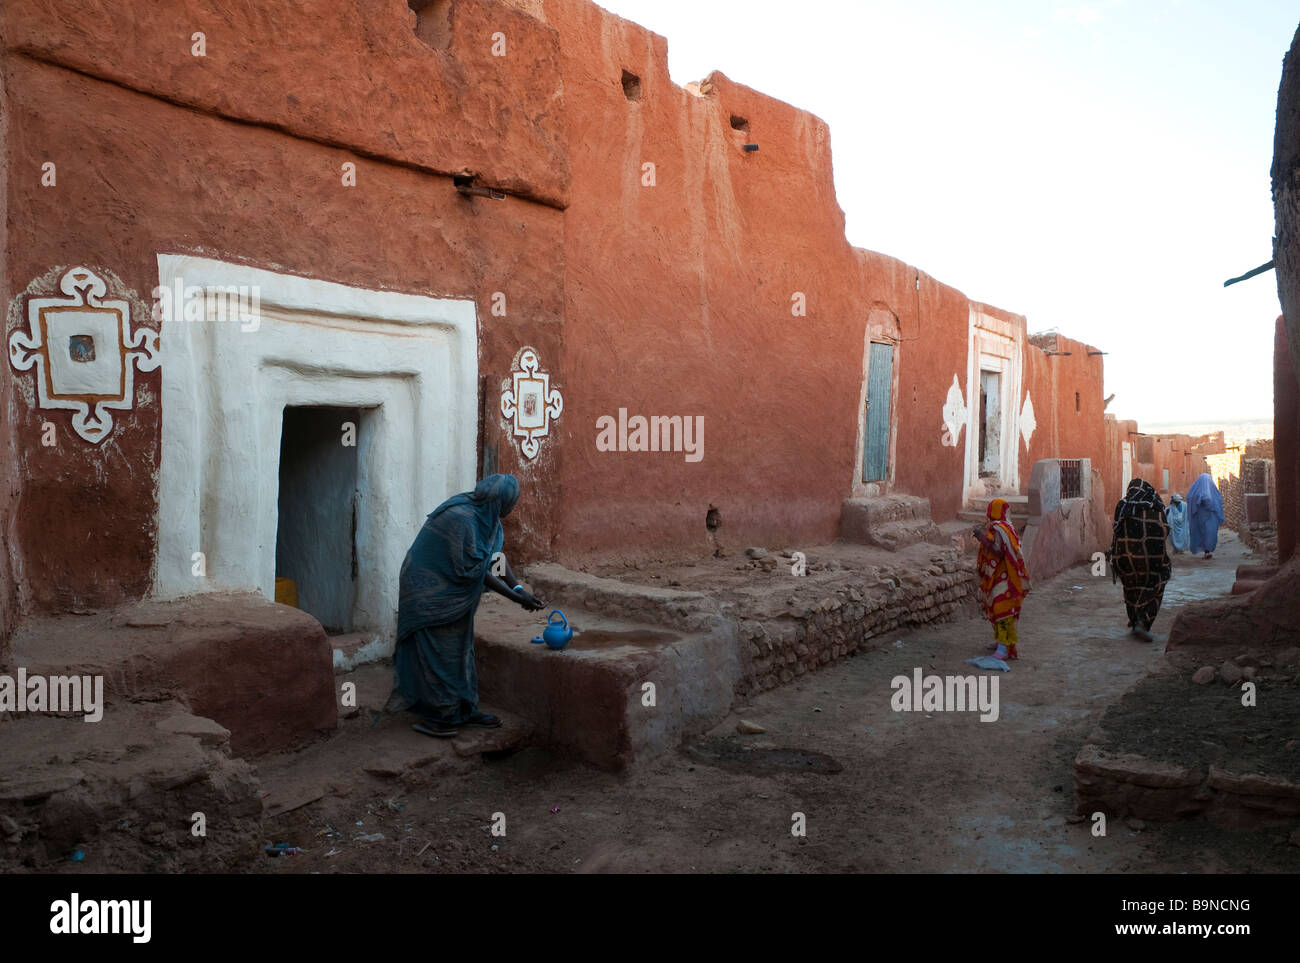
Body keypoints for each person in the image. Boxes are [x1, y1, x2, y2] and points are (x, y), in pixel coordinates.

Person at [384, 474, 545, 738]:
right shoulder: (462, 518)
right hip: (428, 592)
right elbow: (475, 570)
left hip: (453, 592)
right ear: (503, 502)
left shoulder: (487, 516)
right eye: (513, 502)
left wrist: (518, 589)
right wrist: (519, 599)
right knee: (438, 653)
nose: (513, 507)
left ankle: (465, 709)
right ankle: (441, 718)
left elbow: (494, 558)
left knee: (460, 649)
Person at [1109, 478, 1172, 642]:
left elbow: (1116, 530)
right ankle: (1144, 622)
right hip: (1153, 561)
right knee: (1155, 585)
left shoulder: (1123, 506)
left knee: (1131, 589)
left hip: (1126, 559)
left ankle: (1135, 620)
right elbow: (1165, 530)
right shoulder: (1156, 506)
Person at [971, 498, 1031, 660]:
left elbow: (998, 551)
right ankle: (1000, 641)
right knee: (996, 605)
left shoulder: (1001, 529)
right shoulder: (1000, 527)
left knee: (1001, 607)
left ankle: (1004, 647)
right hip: (997, 574)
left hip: (1005, 575)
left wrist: (981, 538)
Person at [1186, 472, 1225, 559]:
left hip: (1209, 517)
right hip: (1202, 517)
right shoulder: (1196, 492)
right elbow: (1190, 498)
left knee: (1209, 533)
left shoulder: (1213, 491)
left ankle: (1207, 551)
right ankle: (1206, 551)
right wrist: (1200, 500)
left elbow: (1216, 501)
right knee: (1204, 533)